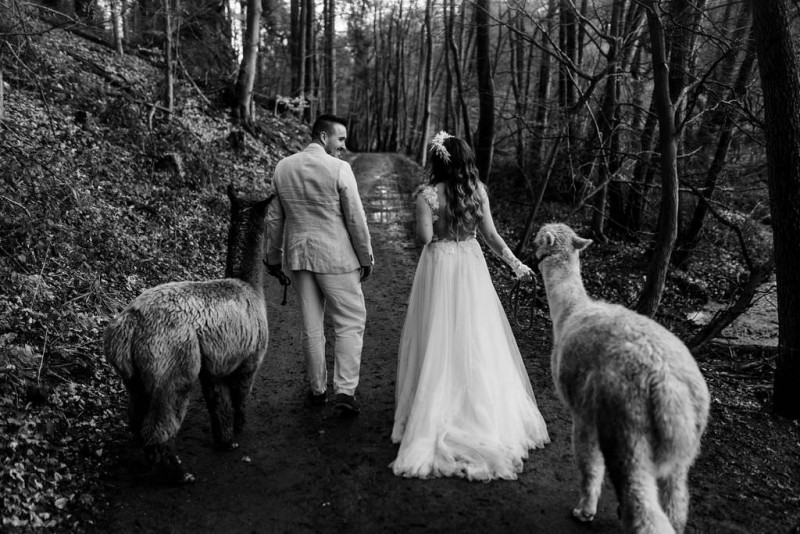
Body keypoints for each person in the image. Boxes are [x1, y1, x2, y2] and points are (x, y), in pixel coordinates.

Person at [390, 132, 549, 480]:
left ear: (437, 162)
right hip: (470, 265)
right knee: (476, 335)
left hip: (439, 267)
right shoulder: (478, 192)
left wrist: (425, 211)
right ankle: (479, 410)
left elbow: (425, 239)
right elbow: (491, 236)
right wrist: (516, 265)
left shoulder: (428, 195)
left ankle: (434, 407)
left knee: (436, 336)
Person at [266, 114, 374, 415]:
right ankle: (345, 391)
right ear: (323, 137)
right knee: (350, 322)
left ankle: (317, 389)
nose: (344, 145)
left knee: (312, 326)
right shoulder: (339, 168)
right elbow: (356, 219)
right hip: (336, 258)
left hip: (299, 258)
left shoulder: (283, 167)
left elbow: (275, 219)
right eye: (340, 139)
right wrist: (366, 258)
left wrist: (273, 259)